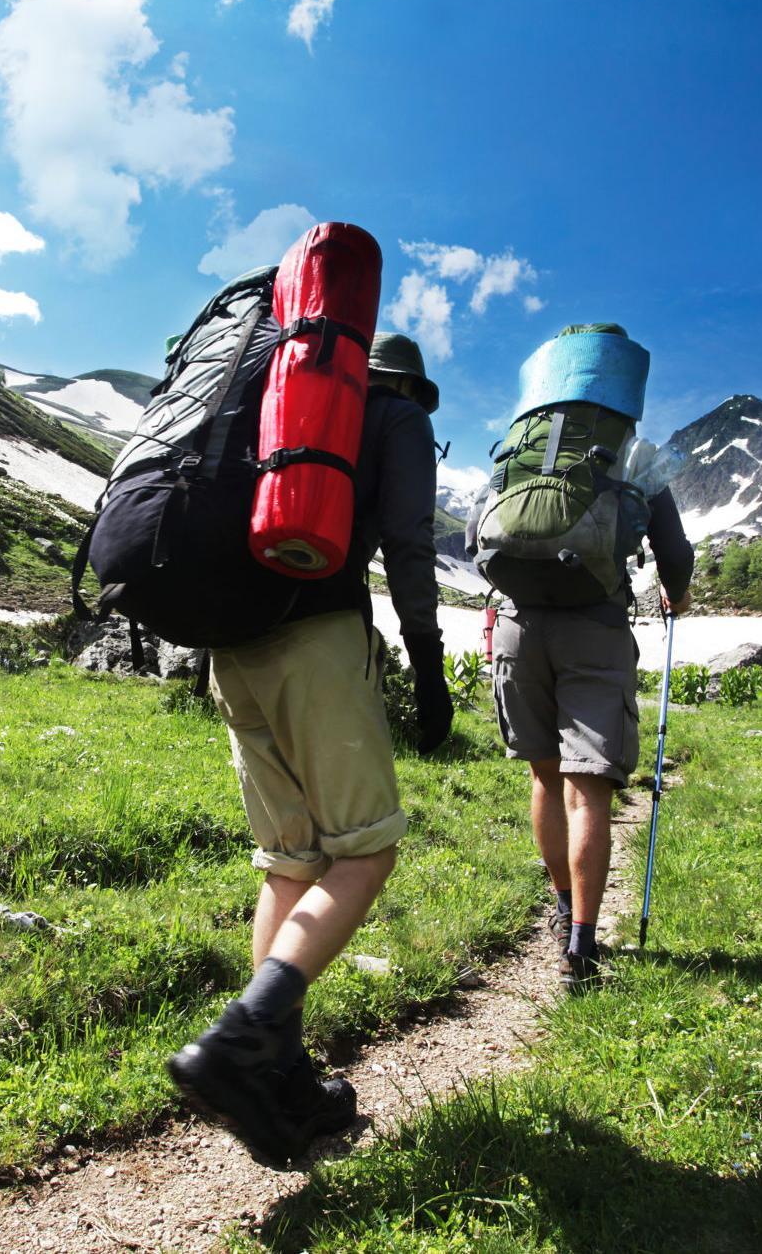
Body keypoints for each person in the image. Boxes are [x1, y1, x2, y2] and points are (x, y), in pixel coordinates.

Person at [168, 330, 454, 1163]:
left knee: (289, 861)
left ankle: (282, 1082)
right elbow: (406, 543)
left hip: (233, 647)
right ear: (407, 387)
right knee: (364, 856)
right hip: (317, 642)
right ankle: (243, 1040)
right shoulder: (394, 417)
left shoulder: (272, 395)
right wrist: (428, 664)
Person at [478, 348, 695, 989]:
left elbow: (477, 536)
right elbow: (674, 552)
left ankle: (562, 907)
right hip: (595, 627)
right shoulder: (632, 456)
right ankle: (582, 945)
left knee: (546, 778)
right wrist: (676, 595)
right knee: (588, 786)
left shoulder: (518, 454)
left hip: (518, 626)